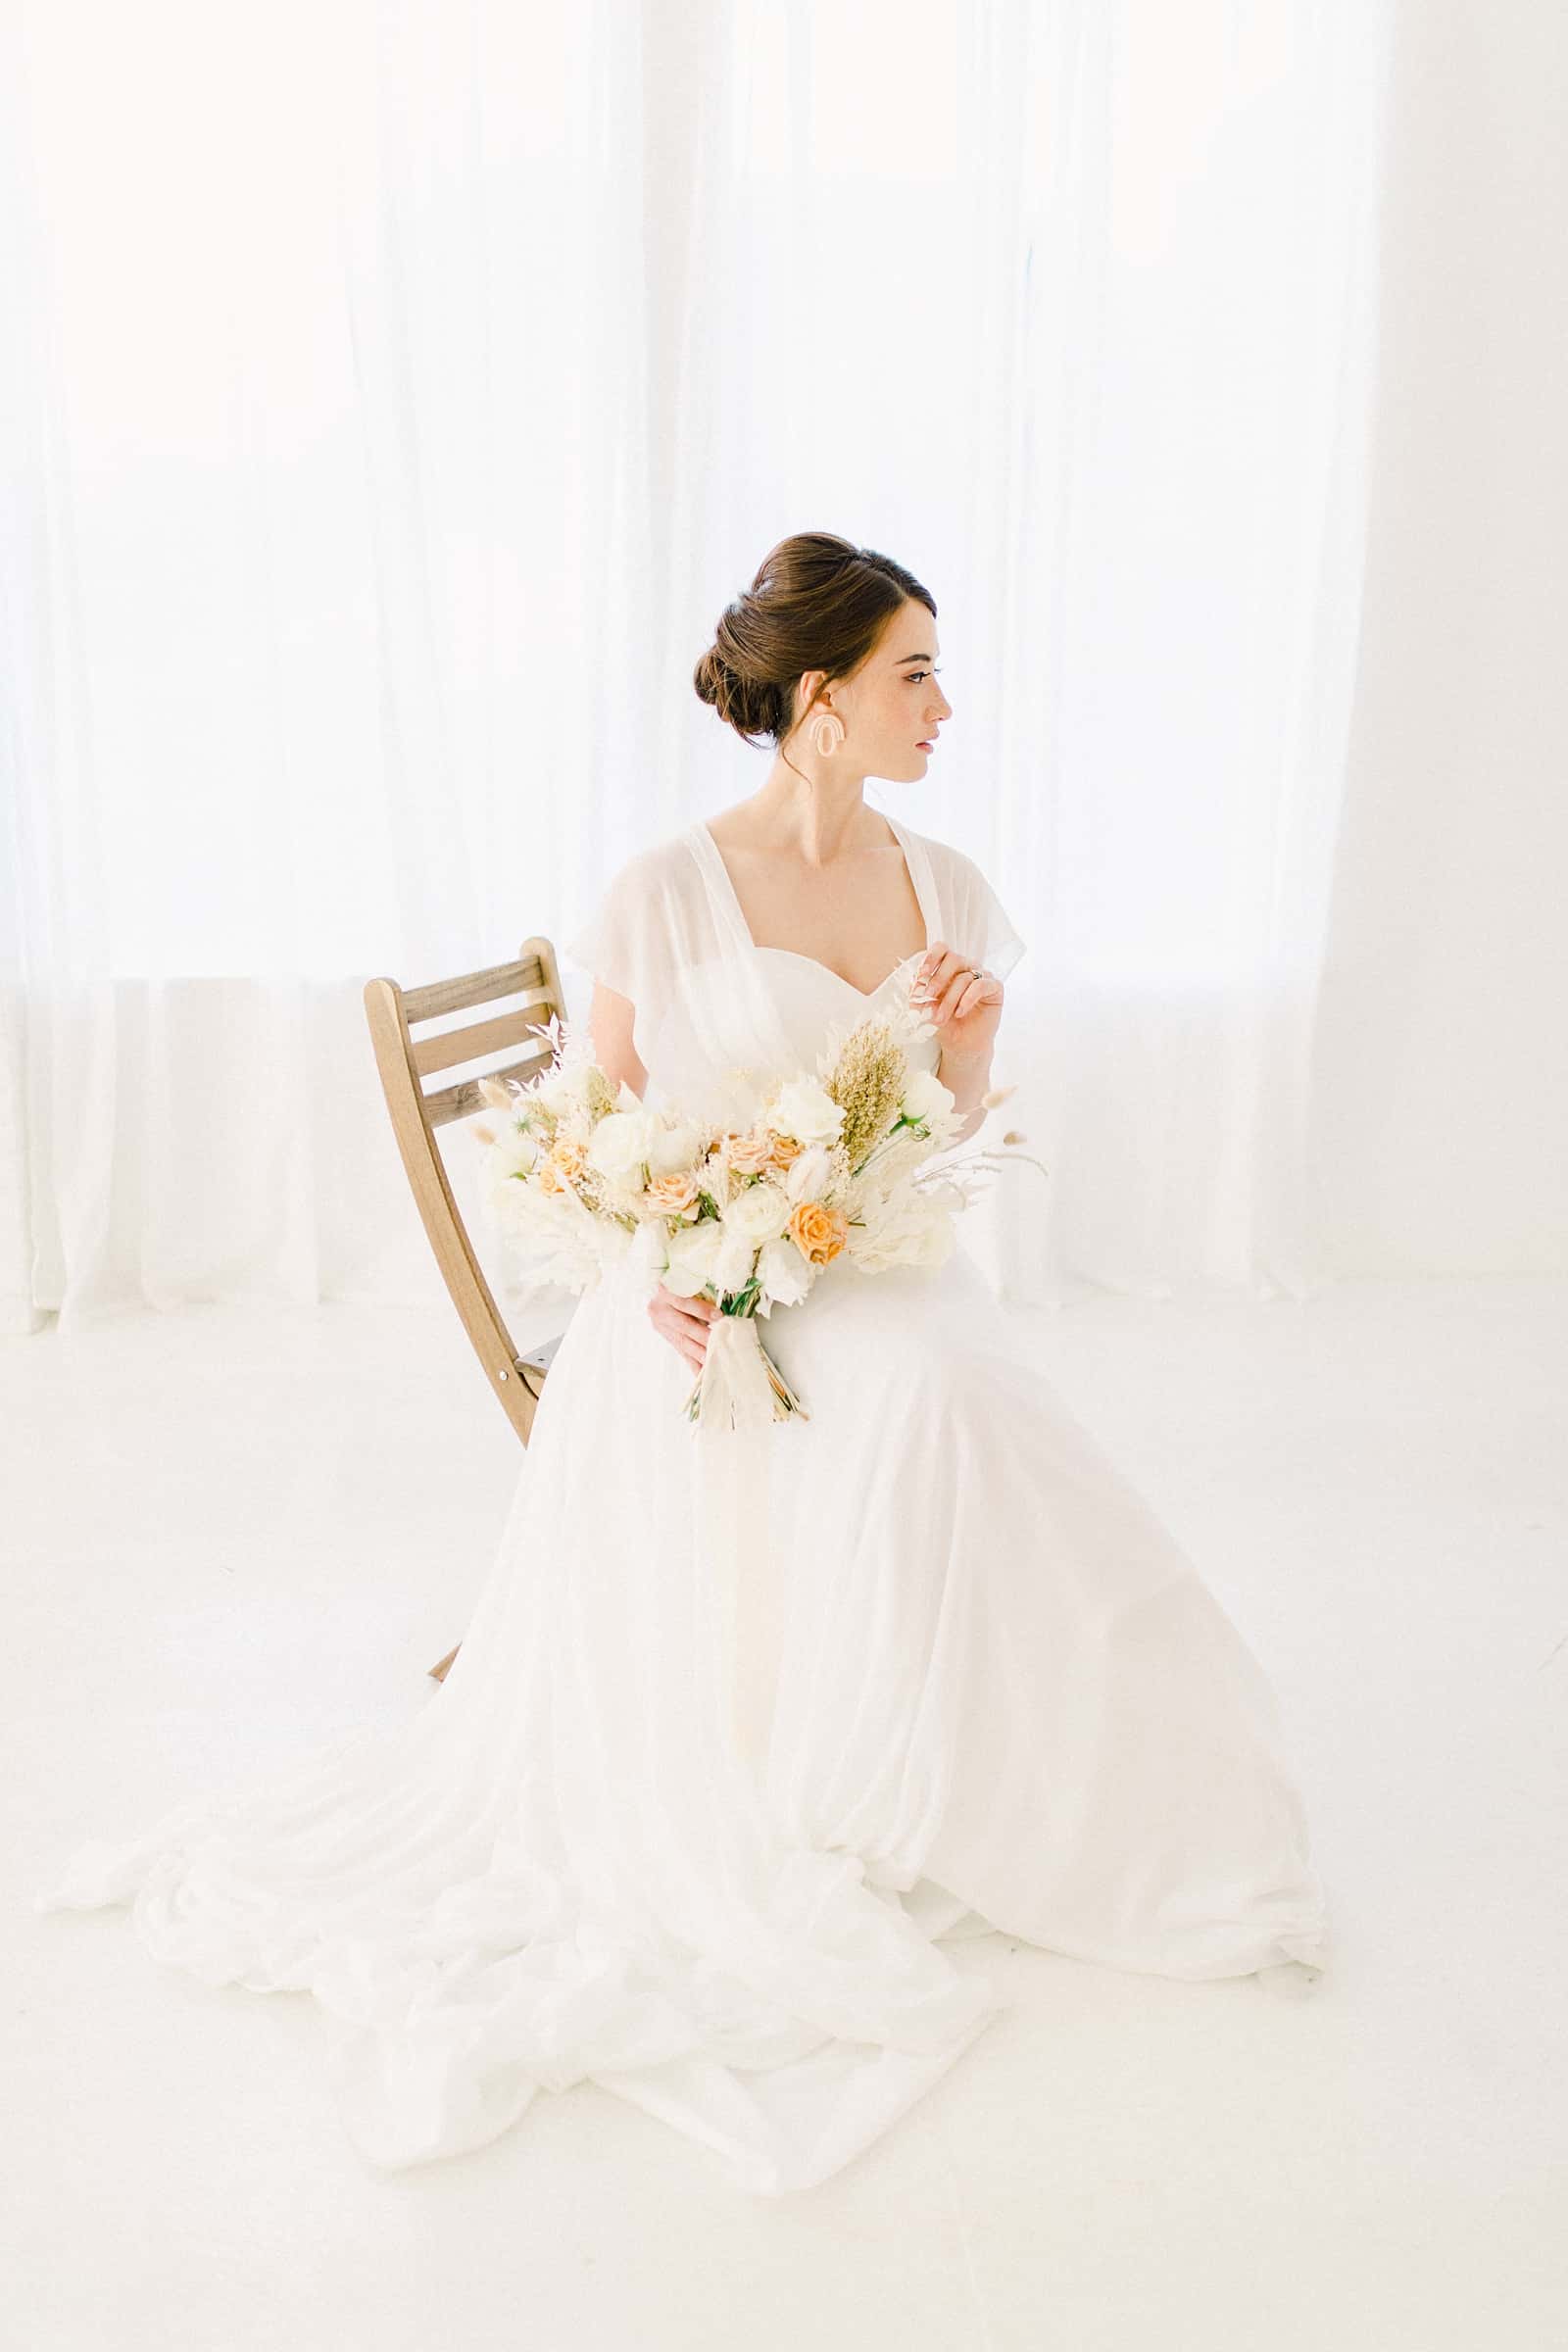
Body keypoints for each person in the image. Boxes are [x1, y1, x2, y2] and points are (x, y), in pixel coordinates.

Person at [32, 531, 1328, 2197]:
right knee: (928, 1404)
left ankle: (1059, 1773)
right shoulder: (662, 890)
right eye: (914, 671)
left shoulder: (945, 885)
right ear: (820, 700)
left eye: (937, 667)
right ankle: (876, 1772)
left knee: (952, 1393)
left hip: (868, 1267)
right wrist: (675, 1269)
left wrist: (971, 1042)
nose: (946, 705)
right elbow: (610, 1138)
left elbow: (949, 1145)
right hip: (697, 1299)